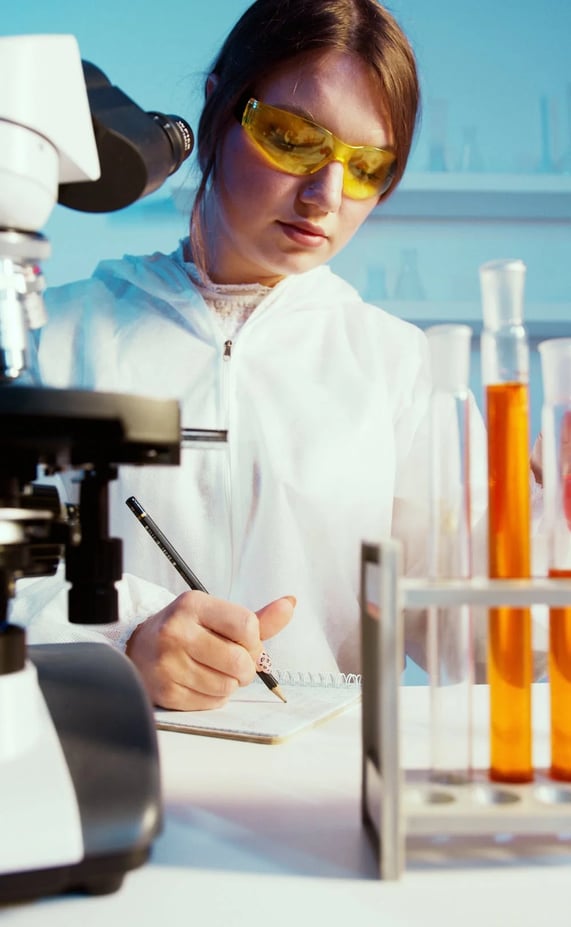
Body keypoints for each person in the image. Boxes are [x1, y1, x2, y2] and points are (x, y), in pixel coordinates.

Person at [15, 0, 545, 710]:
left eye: (367, 166)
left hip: (324, 763)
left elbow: (473, 642)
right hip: (113, 747)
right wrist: (125, 638)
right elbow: (13, 582)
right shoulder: (56, 332)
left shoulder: (396, 365)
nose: (327, 195)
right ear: (219, 111)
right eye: (295, 139)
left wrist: (548, 539)